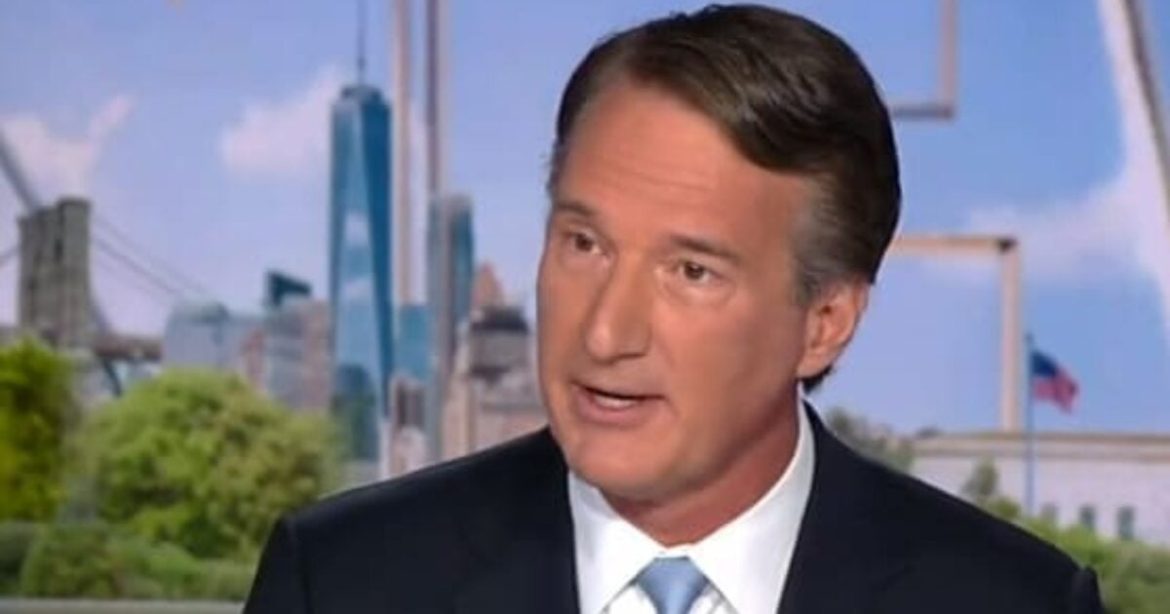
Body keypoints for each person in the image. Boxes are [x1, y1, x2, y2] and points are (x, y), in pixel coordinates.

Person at [244, 4, 1104, 613]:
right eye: (584, 244)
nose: (605, 332)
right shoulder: (344, 581)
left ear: (824, 323)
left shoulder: (1013, 601)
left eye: (691, 271)